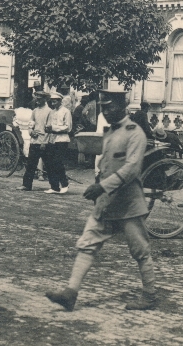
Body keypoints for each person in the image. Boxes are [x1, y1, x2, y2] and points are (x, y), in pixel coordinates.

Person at [46, 90, 158, 311]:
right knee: (87, 244)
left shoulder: (135, 133)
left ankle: (150, 296)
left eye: (110, 107)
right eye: (103, 108)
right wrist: (100, 187)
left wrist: (102, 186)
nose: (105, 112)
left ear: (122, 107)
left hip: (129, 204)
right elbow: (105, 166)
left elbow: (132, 169)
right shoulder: (110, 132)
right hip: (106, 204)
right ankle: (70, 293)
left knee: (140, 250)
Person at [20, 92, 51, 191]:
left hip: (44, 142)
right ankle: (26, 185)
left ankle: (55, 186)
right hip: (34, 141)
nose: (37, 100)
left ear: (45, 99)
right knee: (31, 164)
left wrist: (44, 142)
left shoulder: (49, 111)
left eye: (40, 98)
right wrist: (31, 132)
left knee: (49, 165)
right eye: (36, 98)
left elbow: (49, 129)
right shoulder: (35, 111)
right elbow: (30, 125)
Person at [44, 91, 72, 194]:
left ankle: (64, 184)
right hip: (52, 139)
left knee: (58, 162)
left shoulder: (66, 112)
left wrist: (54, 128)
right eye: (52, 101)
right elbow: (49, 125)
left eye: (55, 101)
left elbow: (68, 127)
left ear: (60, 101)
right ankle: (54, 186)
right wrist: (48, 128)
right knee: (50, 163)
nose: (53, 103)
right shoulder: (52, 112)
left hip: (62, 139)